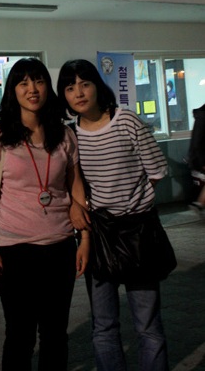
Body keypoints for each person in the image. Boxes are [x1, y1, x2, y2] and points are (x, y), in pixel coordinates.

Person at [57, 59, 170, 371]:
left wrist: (133, 199)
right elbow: (71, 183)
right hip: (99, 234)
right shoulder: (71, 134)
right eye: (70, 87)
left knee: (147, 324)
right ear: (63, 95)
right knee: (104, 325)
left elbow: (157, 171)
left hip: (138, 232)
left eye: (85, 84)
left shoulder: (127, 121)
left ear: (98, 86)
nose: (79, 93)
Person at [0, 57, 89, 370]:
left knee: (55, 334)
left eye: (39, 81)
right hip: (15, 248)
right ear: (12, 90)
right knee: (19, 334)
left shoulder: (64, 135)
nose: (32, 89)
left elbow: (76, 190)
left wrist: (85, 238)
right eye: (23, 82)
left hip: (60, 245)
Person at [187, 103, 205, 212]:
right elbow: (197, 144)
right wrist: (202, 162)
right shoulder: (202, 118)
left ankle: (200, 203)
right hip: (200, 160)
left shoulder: (201, 117)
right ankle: (200, 203)